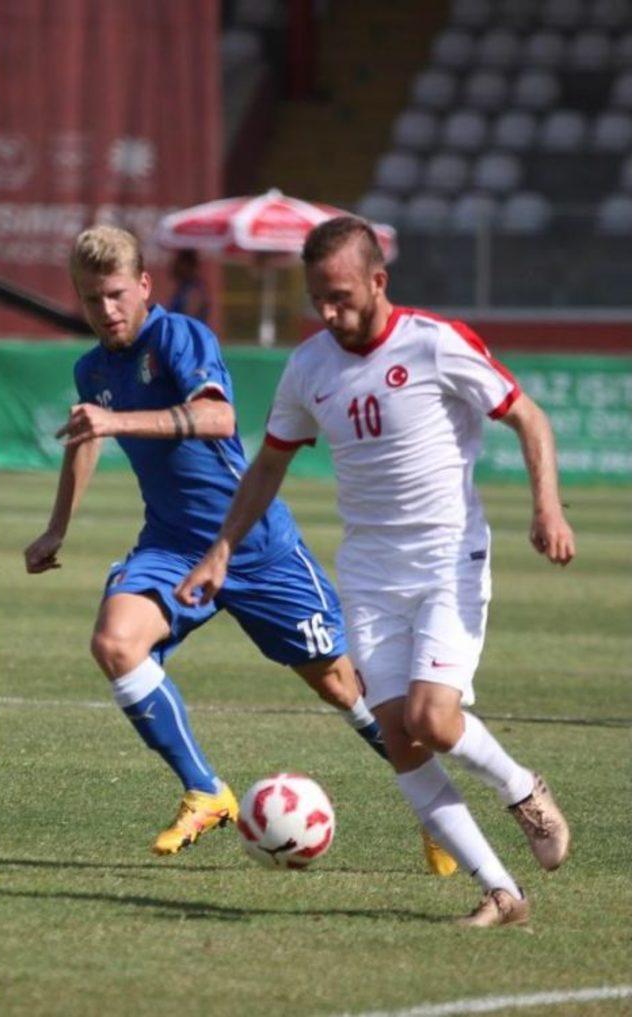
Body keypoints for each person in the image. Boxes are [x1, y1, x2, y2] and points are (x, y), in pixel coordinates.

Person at [176, 216, 575, 928]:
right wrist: (221, 548)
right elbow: (269, 462)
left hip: (448, 555)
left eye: (342, 296)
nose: (330, 313)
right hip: (367, 571)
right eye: (318, 300)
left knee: (432, 716)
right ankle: (501, 890)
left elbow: (530, 418)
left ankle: (520, 786)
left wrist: (549, 506)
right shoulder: (309, 367)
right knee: (399, 735)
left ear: (378, 281)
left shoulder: (433, 342)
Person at [23, 224, 456, 875]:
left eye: (115, 294)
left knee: (344, 687)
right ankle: (206, 790)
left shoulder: (178, 336)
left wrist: (116, 421)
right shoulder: (93, 367)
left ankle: (438, 811)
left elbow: (219, 418)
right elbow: (87, 435)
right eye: (91, 300)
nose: (105, 310)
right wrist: (58, 526)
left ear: (144, 286)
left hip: (254, 546)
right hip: (171, 546)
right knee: (115, 643)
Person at [167, 249, 210, 323]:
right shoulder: (183, 288)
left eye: (178, 263)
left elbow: (190, 319)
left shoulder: (194, 288)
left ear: (186, 265)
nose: (173, 267)